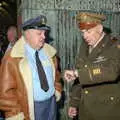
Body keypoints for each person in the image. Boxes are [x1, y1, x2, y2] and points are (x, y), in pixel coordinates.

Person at [0, 15, 62, 120]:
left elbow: (56, 75)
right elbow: (5, 93)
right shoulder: (12, 58)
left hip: (51, 104)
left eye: (44, 33)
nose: (44, 37)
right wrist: (16, 114)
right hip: (29, 109)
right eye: (39, 33)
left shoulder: (50, 53)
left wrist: (57, 90)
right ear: (27, 35)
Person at [64, 12, 120, 120]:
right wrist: (74, 103)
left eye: (88, 31)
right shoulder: (85, 46)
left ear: (99, 28)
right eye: (83, 32)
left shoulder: (114, 46)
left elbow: (112, 71)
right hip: (85, 109)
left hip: (106, 110)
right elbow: (80, 73)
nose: (85, 36)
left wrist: (77, 73)